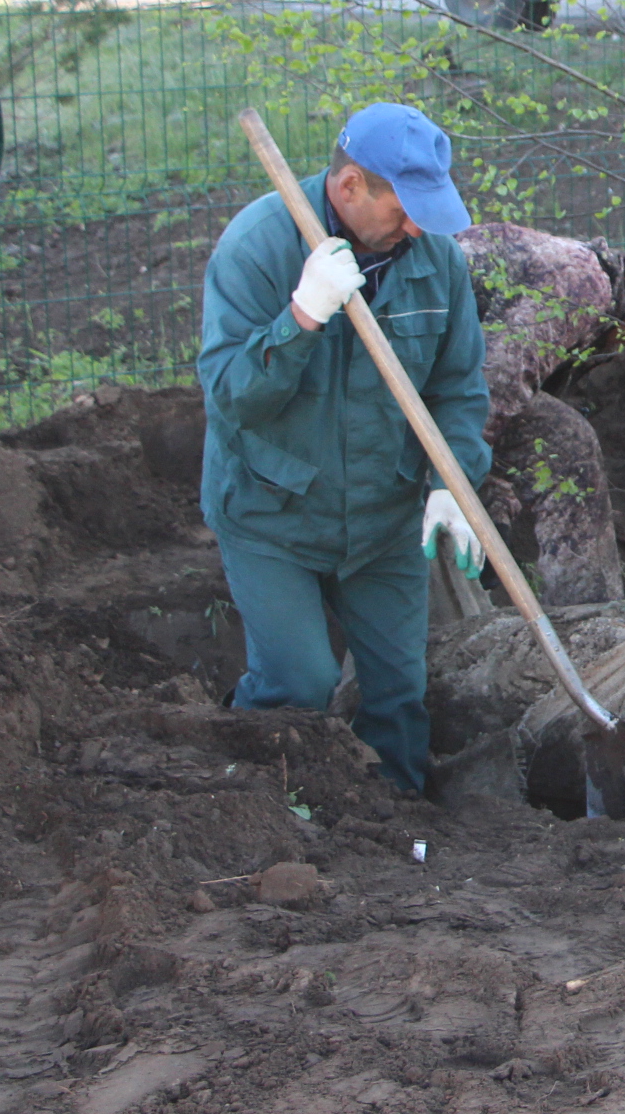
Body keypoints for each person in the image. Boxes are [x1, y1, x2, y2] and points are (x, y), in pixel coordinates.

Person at [198, 103, 491, 793]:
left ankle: (395, 824)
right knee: (300, 683)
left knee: (399, 694)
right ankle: (249, 801)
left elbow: (457, 389)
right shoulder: (258, 249)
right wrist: (301, 317)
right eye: (406, 209)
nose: (417, 227)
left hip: (383, 515)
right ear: (351, 185)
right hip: (273, 511)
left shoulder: (435, 262)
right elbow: (232, 397)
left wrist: (452, 484)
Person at [453, 221, 625, 605]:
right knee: (567, 445)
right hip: (408, 351)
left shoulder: (585, 294)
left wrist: (495, 503)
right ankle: (588, 616)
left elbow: (509, 413)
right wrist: (463, 486)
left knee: (554, 432)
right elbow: (497, 379)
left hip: (438, 355)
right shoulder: (585, 284)